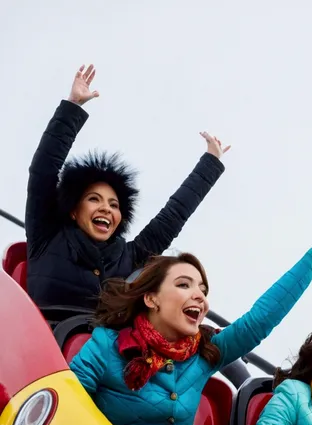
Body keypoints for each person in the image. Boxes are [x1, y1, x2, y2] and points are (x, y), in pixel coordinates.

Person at [69, 203, 312, 425]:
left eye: (202, 289)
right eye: (184, 285)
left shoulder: (203, 356)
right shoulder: (106, 345)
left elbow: (259, 321)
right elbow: (67, 408)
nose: (199, 295)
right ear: (151, 299)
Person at [25, 64, 229, 310]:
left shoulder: (128, 258)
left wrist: (210, 163)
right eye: (94, 199)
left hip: (102, 347)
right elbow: (43, 171)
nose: (106, 209)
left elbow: (173, 217)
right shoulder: (47, 234)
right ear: (73, 210)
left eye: (114, 204)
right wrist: (72, 107)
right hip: (42, 341)